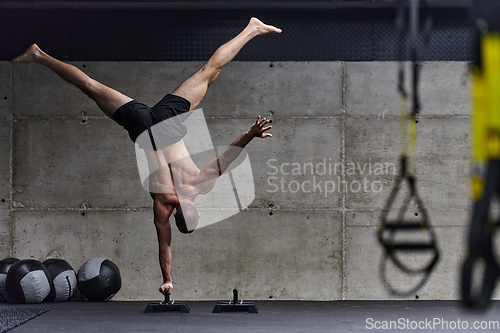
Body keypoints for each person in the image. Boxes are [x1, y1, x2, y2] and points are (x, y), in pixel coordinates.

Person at [11, 17, 281, 295]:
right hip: (144, 129)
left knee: (209, 72)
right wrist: (168, 279)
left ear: (194, 211)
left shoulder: (199, 186)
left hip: (167, 123)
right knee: (91, 87)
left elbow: (227, 158)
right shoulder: (164, 206)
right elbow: (166, 243)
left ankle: (251, 29)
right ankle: (39, 55)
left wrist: (250, 134)